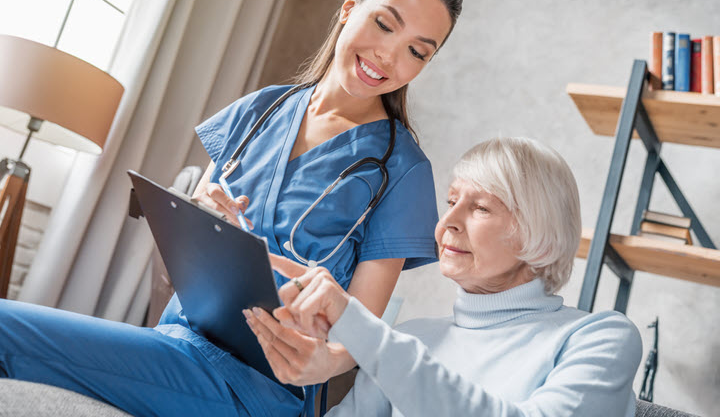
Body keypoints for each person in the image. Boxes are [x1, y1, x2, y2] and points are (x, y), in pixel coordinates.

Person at [0, 0, 463, 417]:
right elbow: (192, 234)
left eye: (417, 51)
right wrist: (206, 219)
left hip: (256, 387)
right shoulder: (261, 109)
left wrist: (324, 363)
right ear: (349, 7)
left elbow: (364, 330)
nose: (388, 55)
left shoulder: (400, 170)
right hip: (176, 341)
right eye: (385, 24)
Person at [245, 137, 643, 417]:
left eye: (481, 208)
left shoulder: (600, 338)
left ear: (537, 229)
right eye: (451, 201)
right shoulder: (414, 338)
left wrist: (360, 328)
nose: (447, 221)